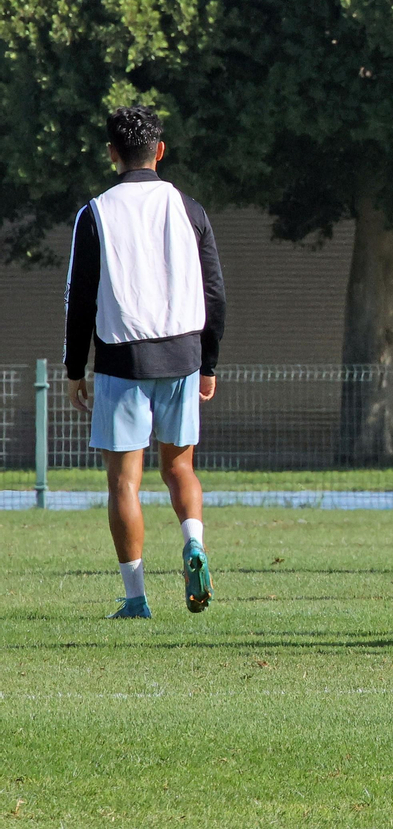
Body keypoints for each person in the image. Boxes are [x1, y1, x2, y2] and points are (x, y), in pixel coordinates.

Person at [63, 105, 227, 619]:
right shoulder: (189, 208)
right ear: (160, 151)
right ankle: (194, 543)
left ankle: (136, 599)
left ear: (112, 154)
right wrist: (209, 363)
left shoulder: (95, 213)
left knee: (124, 482)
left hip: (121, 360)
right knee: (180, 467)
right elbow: (215, 293)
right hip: (182, 354)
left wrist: (74, 368)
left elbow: (80, 299)